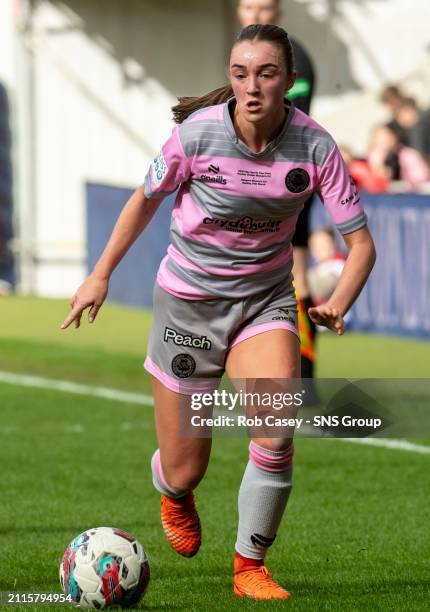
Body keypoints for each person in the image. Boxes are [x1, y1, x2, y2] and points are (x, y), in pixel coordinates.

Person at [61, 25, 376, 601]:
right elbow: (143, 201)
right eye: (240, 74)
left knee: (276, 427)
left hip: (266, 303)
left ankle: (249, 565)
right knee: (186, 469)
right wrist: (99, 274)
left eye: (266, 74)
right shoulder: (196, 134)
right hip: (188, 305)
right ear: (229, 77)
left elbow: (361, 245)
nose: (251, 87)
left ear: (288, 81)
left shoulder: (315, 147)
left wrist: (336, 302)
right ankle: (174, 491)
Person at [237, 0, 319, 396]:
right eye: (249, 7)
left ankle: (305, 373)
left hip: (287, 181)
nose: (257, 15)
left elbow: (284, 119)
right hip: (247, 180)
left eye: (265, 8)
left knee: (296, 273)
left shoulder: (293, 56)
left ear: (279, 12)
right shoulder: (241, 57)